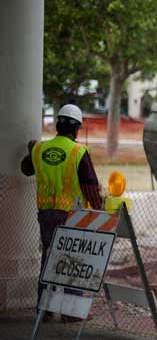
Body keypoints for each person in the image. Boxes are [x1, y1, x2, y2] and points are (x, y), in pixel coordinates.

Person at [20, 104, 102, 321]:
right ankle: (71, 312)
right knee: (72, 261)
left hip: (45, 213)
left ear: (57, 125)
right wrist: (100, 209)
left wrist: (32, 151)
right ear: (76, 128)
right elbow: (90, 186)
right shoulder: (77, 152)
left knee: (48, 259)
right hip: (70, 216)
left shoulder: (39, 149)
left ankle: (44, 310)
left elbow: (26, 169)